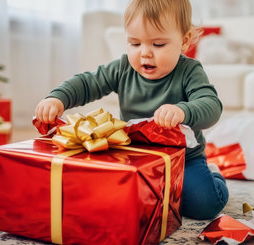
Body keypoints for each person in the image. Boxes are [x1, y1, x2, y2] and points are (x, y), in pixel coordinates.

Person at [35, 0, 228, 220]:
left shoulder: (190, 71)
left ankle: (214, 175)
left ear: (183, 42)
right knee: (111, 198)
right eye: (135, 44)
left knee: (203, 205)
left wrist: (183, 110)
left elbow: (211, 105)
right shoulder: (124, 67)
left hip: (184, 159)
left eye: (158, 45)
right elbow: (88, 83)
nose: (145, 53)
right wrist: (57, 98)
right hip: (136, 155)